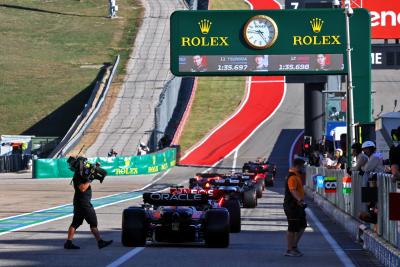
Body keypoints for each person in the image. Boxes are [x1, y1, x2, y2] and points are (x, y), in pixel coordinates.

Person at [64, 157, 112, 250]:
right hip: (83, 203)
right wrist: (90, 179)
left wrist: (94, 171)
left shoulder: (81, 173)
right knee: (93, 223)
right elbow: (82, 188)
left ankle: (68, 243)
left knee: (75, 223)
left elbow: (92, 175)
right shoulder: (77, 176)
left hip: (79, 202)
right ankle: (100, 242)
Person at [283, 158, 307, 257]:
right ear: (298, 166)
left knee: (302, 225)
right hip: (292, 206)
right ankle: (289, 250)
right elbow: (293, 190)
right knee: (292, 228)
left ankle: (294, 246)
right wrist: (300, 200)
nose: (304, 168)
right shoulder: (292, 177)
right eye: (303, 166)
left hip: (298, 206)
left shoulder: (297, 176)